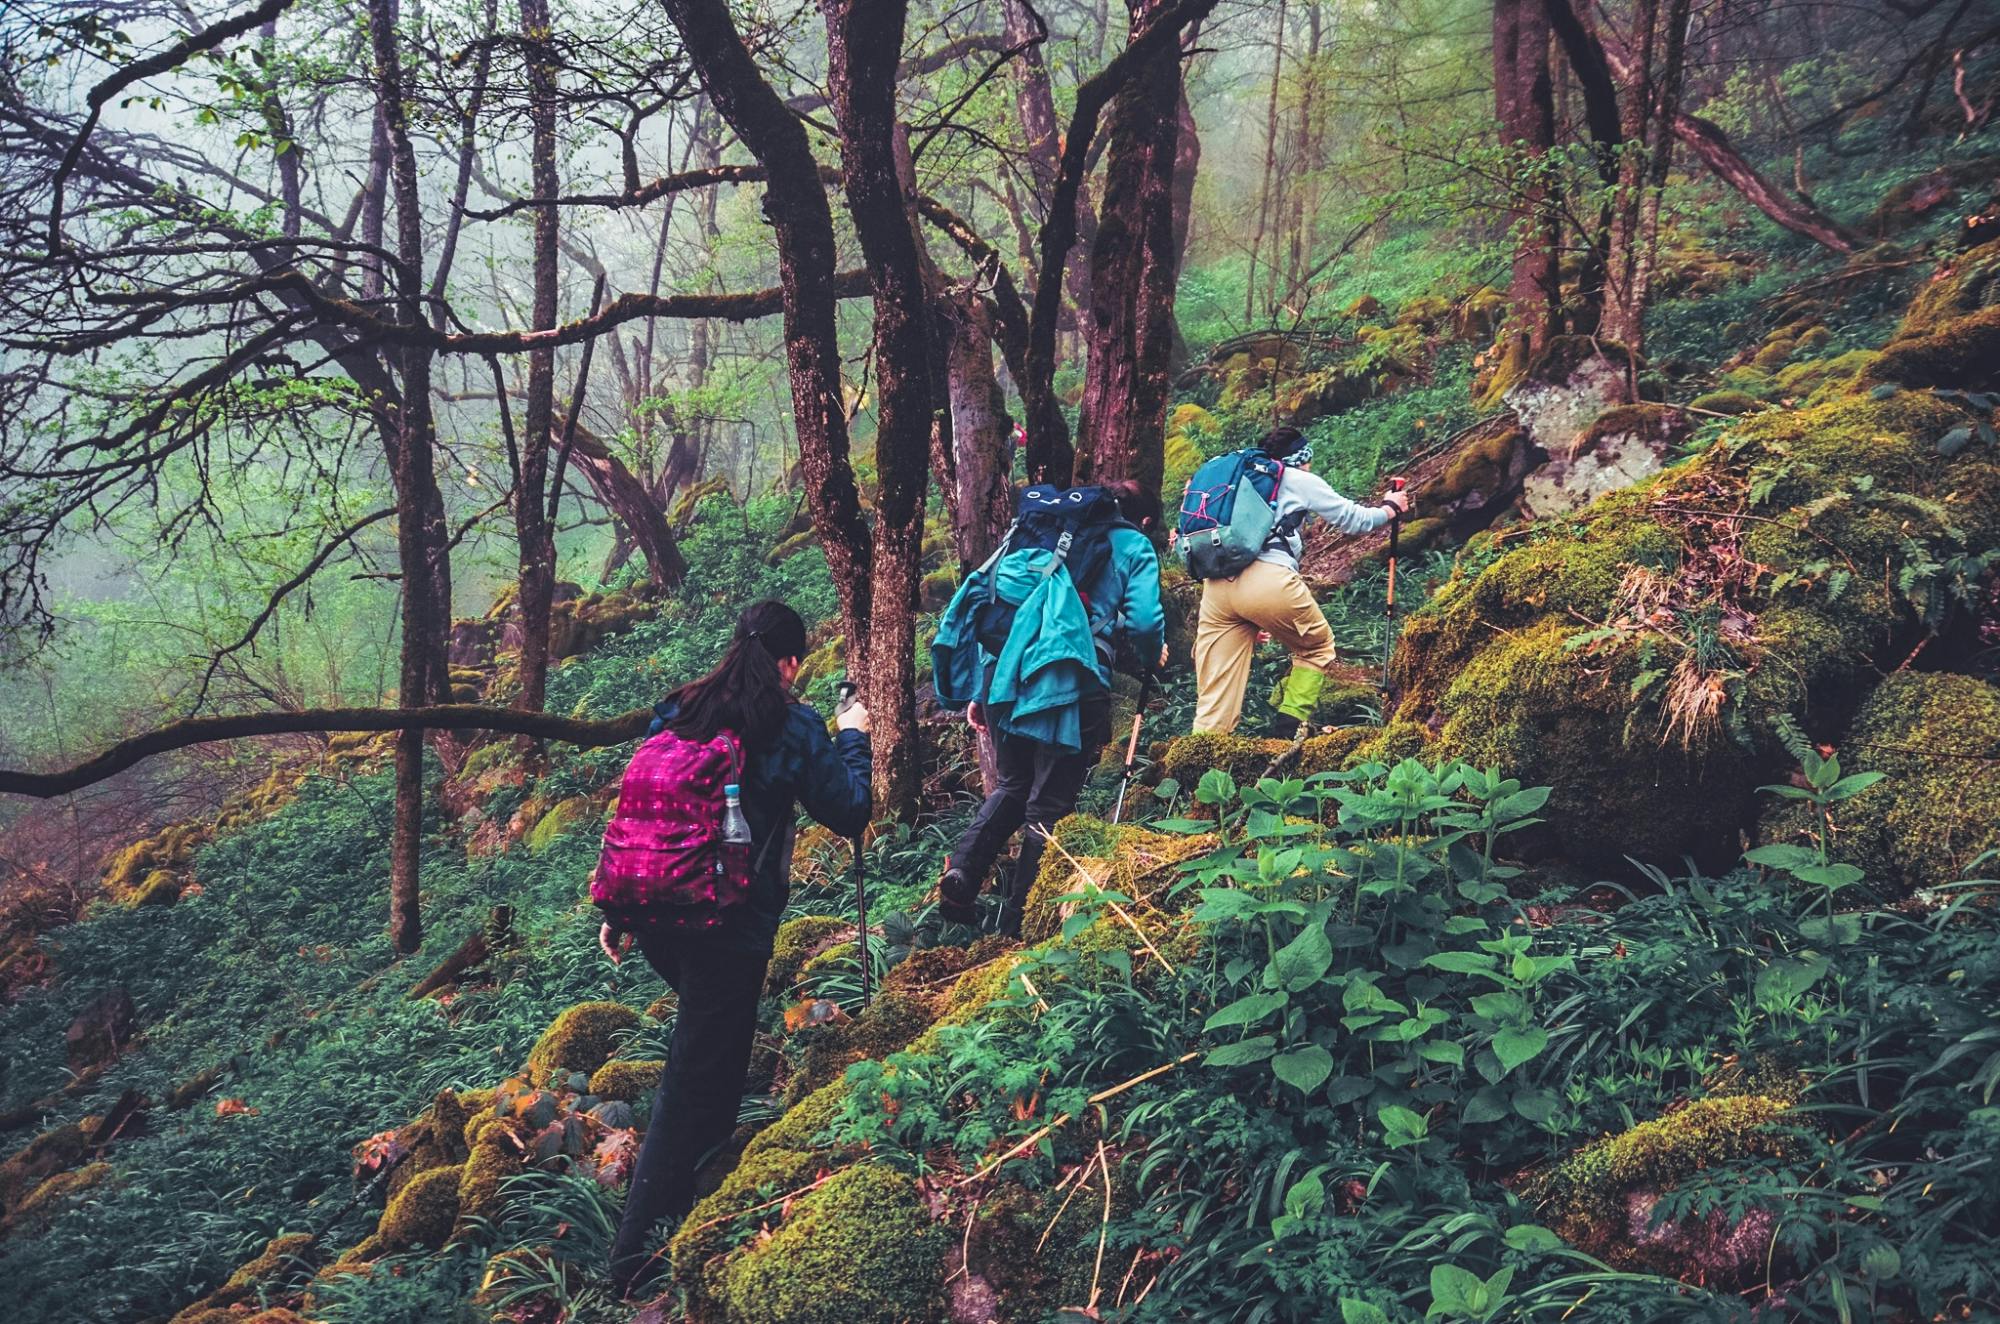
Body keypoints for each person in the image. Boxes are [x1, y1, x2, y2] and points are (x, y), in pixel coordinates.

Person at [600, 600, 871, 1298]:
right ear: (789, 662)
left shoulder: (681, 708)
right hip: (729, 929)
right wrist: (854, 737)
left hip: (660, 918)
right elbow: (848, 812)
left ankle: (700, 1189)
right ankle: (632, 1265)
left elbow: (644, 806)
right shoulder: (792, 725)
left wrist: (626, 908)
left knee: (713, 1062)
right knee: (693, 1076)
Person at [934, 479, 1166, 938]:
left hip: (1005, 675)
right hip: (1072, 683)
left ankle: (961, 875)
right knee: (1050, 804)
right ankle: (1020, 924)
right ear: (1139, 517)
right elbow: (1143, 621)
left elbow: (1004, 611)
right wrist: (1152, 652)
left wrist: (983, 692)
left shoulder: (1037, 534)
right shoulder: (1133, 545)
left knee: (1014, 784)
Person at [1189, 426, 1410, 737]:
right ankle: (1287, 729)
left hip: (1215, 588)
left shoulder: (1238, 480)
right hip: (1267, 581)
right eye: (1308, 459)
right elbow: (1355, 519)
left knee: (1214, 701)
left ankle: (1200, 771)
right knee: (1317, 647)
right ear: (1301, 458)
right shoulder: (1296, 479)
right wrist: (1390, 508)